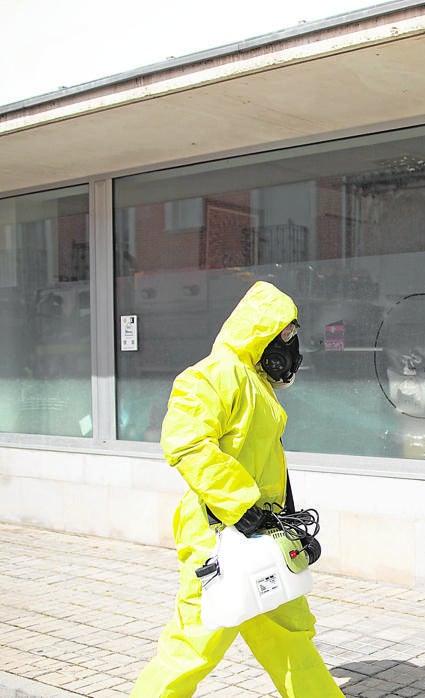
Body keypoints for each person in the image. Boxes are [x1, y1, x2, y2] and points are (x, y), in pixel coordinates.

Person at [131, 281, 343, 697]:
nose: (292, 354)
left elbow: (271, 468)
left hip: (261, 536)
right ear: (261, 334)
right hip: (218, 538)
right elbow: (186, 442)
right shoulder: (212, 376)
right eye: (285, 339)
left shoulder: (256, 386)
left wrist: (288, 528)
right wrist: (240, 504)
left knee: (291, 637)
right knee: (194, 646)